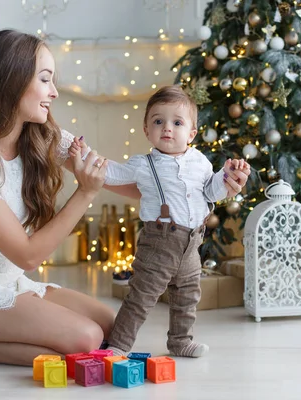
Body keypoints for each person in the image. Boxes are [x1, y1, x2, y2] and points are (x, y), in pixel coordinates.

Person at [0, 29, 142, 366]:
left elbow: (109, 174)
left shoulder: (42, 135)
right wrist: (85, 193)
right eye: (45, 80)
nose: (55, 92)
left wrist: (199, 188)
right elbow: (28, 256)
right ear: (12, 82)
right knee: (87, 338)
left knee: (111, 326)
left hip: (8, 282)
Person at [70, 85, 251, 358]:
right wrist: (84, 156)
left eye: (177, 122)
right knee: (141, 297)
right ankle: (118, 344)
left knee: (187, 297)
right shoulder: (143, 164)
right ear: (146, 130)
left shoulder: (200, 162)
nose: (167, 128)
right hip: (159, 242)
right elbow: (112, 173)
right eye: (158, 121)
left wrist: (226, 176)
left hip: (192, 243)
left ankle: (180, 342)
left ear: (191, 133)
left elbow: (212, 193)